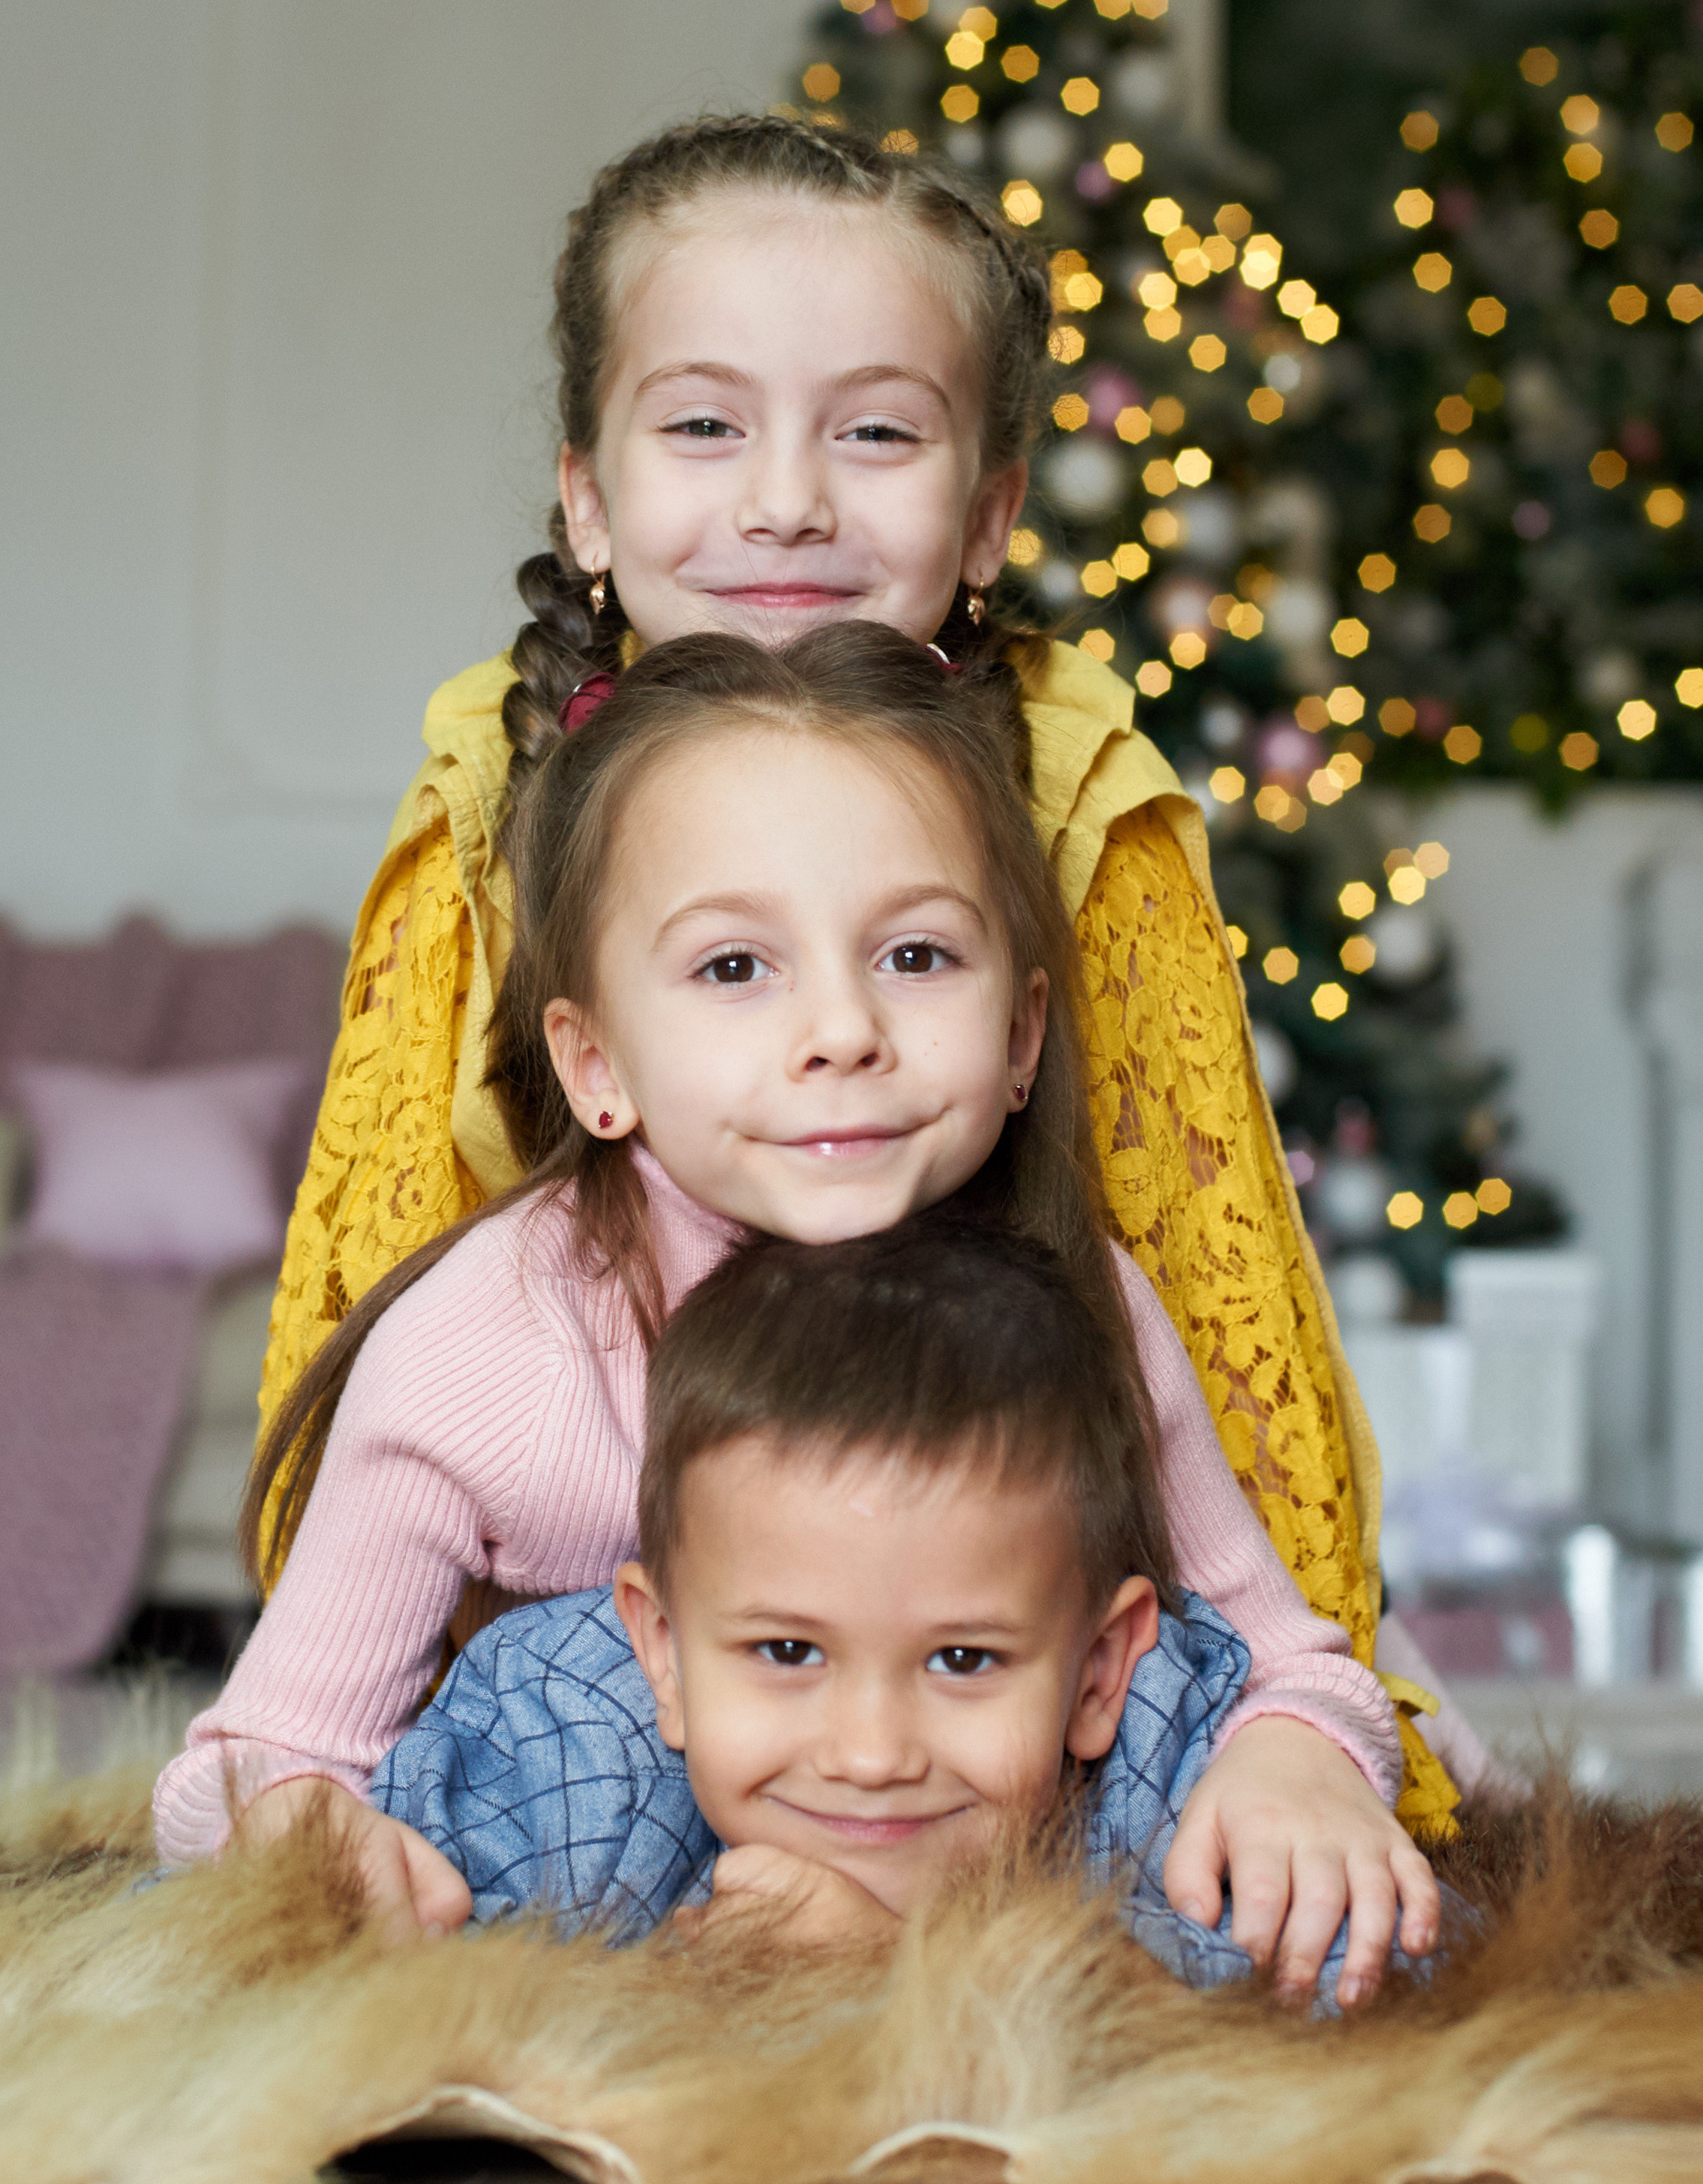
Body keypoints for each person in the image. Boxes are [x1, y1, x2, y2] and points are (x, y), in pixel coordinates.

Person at [246, 113, 1457, 1833]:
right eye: (705, 425)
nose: (789, 496)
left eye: (876, 428)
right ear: (586, 497)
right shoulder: (491, 793)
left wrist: (1305, 1718)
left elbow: (1207, 1256)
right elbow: (392, 1218)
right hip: (606, 1591)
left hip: (1000, 1556)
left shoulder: (1072, 797)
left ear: (986, 515)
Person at [153, 625, 1435, 2001]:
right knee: (590, 1700)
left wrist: (1296, 1751)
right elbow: (252, 1755)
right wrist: (293, 1820)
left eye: (918, 955)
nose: (841, 1030)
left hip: (992, 1856)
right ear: (594, 1064)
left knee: (1181, 1729)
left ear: (1020, 1037)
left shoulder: (1083, 1305)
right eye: (732, 968)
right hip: (597, 1887)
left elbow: (1282, 1657)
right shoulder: (483, 1353)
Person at [374, 1214, 1438, 2010]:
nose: (871, 1754)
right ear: (661, 1651)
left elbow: (1390, 1995)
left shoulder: (1172, 1752)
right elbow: (348, 1978)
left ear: (1100, 1671)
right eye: (787, 1650)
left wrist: (919, 1974)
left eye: (963, 1660)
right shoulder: (566, 1734)